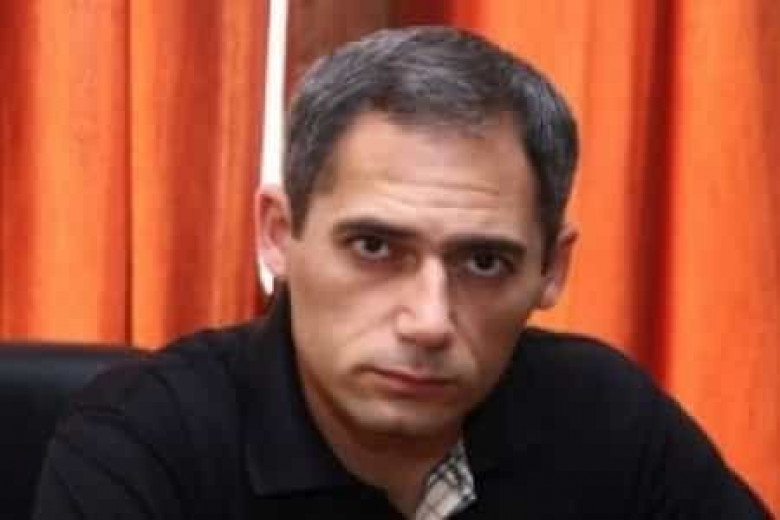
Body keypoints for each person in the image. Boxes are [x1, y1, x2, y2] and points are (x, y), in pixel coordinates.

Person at [33, 26, 770, 519]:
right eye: (375, 248)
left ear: (552, 268)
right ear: (280, 235)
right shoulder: (144, 443)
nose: (429, 321)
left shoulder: (606, 419)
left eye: (484, 261)